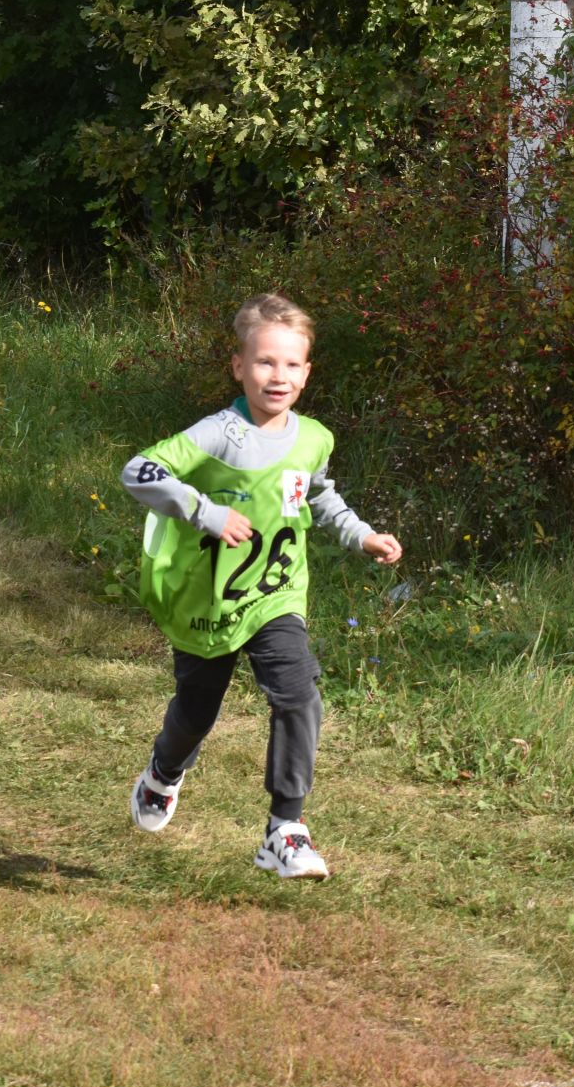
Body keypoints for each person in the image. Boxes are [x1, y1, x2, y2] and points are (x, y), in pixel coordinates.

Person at [119, 293, 403, 879]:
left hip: (277, 594)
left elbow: (316, 495)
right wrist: (205, 512)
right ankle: (164, 770)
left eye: (292, 364)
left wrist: (362, 535)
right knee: (197, 712)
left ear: (307, 372)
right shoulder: (220, 434)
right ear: (238, 366)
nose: (279, 376)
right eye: (265, 362)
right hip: (209, 599)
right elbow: (140, 470)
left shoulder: (313, 439)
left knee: (298, 693)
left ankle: (285, 828)